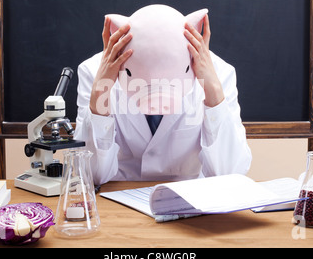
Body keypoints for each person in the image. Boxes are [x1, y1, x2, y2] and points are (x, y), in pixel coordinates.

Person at [74, 13, 252, 185]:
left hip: (189, 200)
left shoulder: (219, 73)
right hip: (118, 199)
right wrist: (100, 94)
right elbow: (90, 174)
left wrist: (213, 91)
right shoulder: (95, 73)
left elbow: (231, 172)